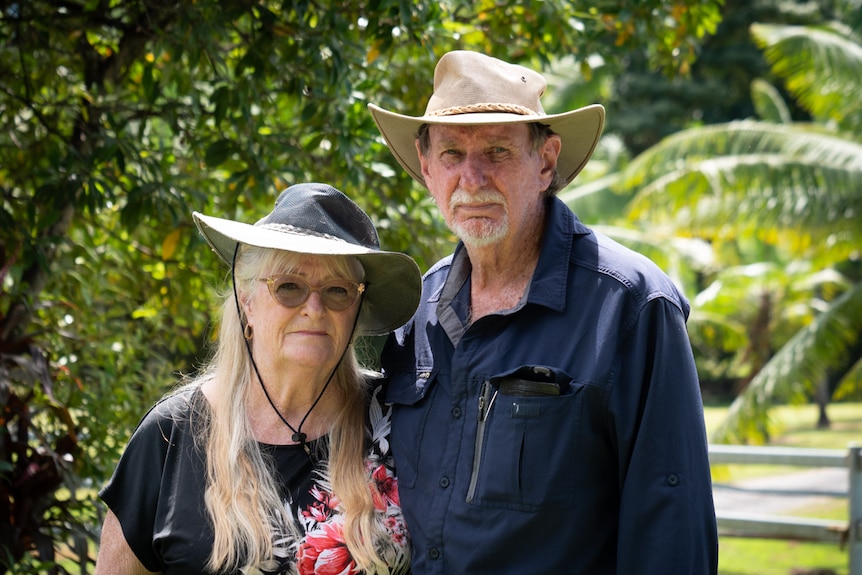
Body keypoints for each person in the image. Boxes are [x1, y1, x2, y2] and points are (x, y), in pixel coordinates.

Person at [368, 50, 718, 574]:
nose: (472, 177)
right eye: (450, 155)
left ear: (546, 162)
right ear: (425, 168)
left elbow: (672, 534)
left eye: (497, 151)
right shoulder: (416, 311)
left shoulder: (633, 306)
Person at [95, 183, 422, 575]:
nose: (314, 307)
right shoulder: (171, 434)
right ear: (246, 301)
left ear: (357, 310)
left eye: (338, 290)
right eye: (289, 286)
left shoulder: (401, 418)